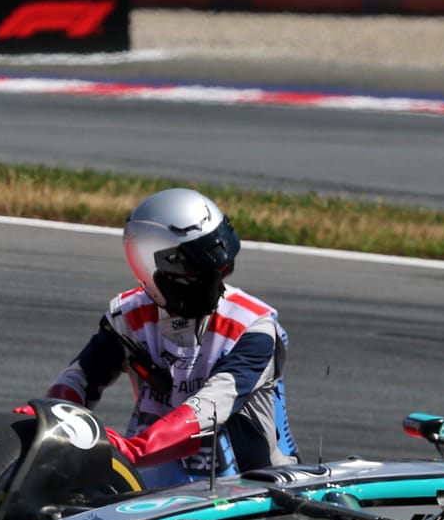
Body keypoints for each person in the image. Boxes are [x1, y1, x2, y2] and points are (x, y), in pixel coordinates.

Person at [45, 188, 296, 489]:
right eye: (195, 275)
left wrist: (136, 450)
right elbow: (79, 379)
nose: (213, 284)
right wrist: (50, 421)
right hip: (153, 486)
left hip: (254, 494)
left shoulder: (253, 327)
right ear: (150, 269)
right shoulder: (127, 316)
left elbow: (210, 406)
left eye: (217, 271)